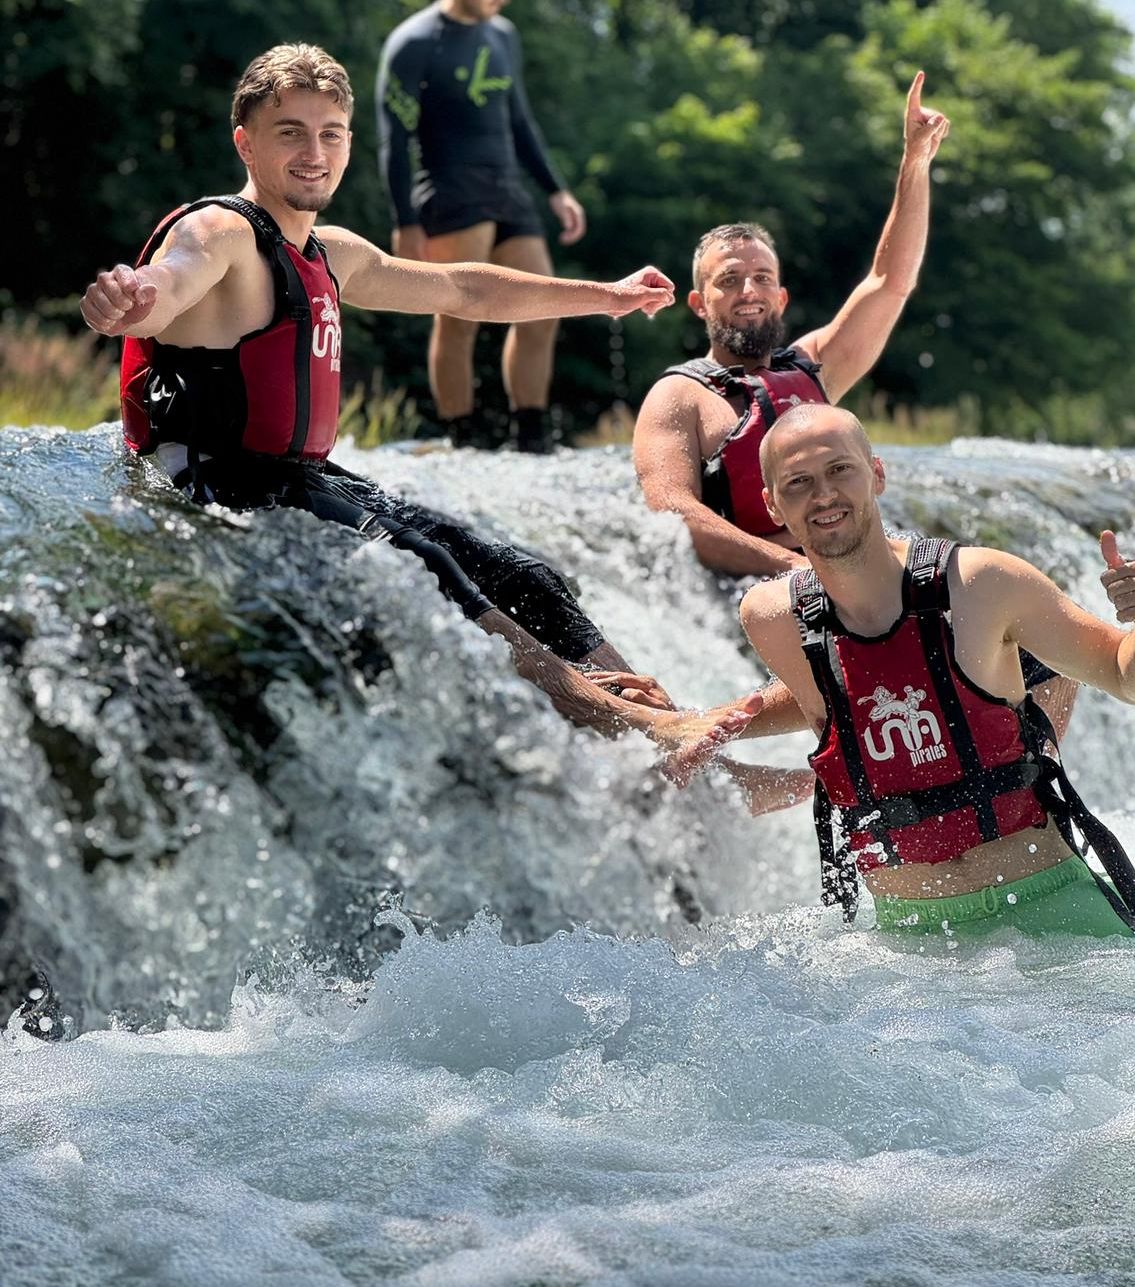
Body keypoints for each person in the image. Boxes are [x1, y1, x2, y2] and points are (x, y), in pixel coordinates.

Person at [79, 42, 758, 759]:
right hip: (213, 484)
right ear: (245, 142)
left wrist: (607, 297)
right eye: (291, 133)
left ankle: (686, 744)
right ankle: (642, 728)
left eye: (330, 134)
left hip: (293, 483)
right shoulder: (219, 231)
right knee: (427, 567)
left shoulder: (329, 251)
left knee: (523, 574)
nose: (314, 152)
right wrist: (130, 303)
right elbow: (170, 283)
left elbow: (464, 289)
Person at [739, 404, 1135, 939]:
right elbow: (846, 691)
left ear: (877, 473)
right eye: (799, 482)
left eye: (839, 470)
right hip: (911, 943)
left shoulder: (983, 582)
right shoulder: (774, 620)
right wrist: (703, 724)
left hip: (1053, 914)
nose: (824, 494)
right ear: (772, 504)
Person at [632, 73, 949, 578]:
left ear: (781, 297)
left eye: (761, 278)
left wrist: (915, 163)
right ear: (698, 303)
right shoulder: (677, 397)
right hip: (763, 588)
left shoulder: (814, 366)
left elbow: (890, 281)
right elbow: (671, 512)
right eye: (729, 280)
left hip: (856, 575)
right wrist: (798, 570)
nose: (749, 292)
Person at [375, 0, 586, 453]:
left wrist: (555, 189)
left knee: (544, 307)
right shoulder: (415, 42)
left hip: (507, 188)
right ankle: (461, 436)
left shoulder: (504, 35)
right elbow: (393, 141)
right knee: (459, 317)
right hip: (449, 194)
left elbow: (520, 120)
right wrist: (406, 221)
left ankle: (531, 436)